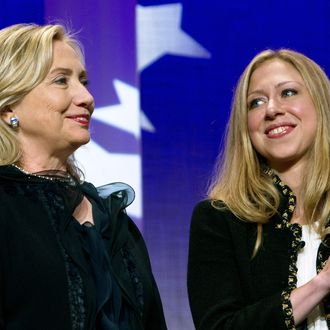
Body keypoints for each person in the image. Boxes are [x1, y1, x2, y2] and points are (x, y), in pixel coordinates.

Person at [0, 23, 167, 330]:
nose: (87, 97)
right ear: (9, 106)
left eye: (84, 81)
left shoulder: (114, 221)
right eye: (62, 80)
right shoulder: (5, 207)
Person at [187, 49, 330, 330]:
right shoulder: (219, 220)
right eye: (256, 102)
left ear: (321, 104)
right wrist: (320, 285)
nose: (272, 109)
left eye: (288, 93)